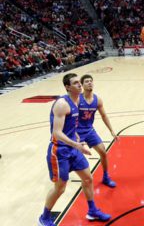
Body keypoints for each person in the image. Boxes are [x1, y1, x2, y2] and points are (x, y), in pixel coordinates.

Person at [39, 73, 111, 226]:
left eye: (80, 82)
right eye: (76, 83)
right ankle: (44, 217)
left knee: (87, 178)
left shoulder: (77, 100)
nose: (80, 85)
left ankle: (92, 211)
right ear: (67, 87)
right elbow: (56, 132)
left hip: (73, 149)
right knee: (60, 188)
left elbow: (72, 125)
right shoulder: (62, 104)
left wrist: (77, 137)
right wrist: (77, 144)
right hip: (59, 152)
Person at [78, 74, 118, 187]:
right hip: (76, 131)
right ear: (82, 85)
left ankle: (106, 177)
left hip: (89, 130)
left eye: (91, 81)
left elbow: (104, 115)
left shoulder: (97, 99)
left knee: (103, 152)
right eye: (86, 81)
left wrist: (112, 131)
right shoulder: (77, 99)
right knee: (74, 157)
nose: (90, 83)